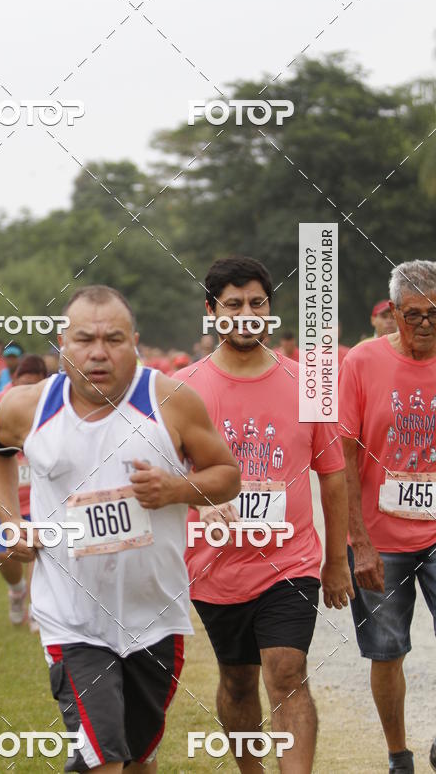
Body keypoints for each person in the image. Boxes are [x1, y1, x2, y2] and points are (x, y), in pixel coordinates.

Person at [0, 284, 240, 773]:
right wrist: (10, 521)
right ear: (62, 343)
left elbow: (227, 476)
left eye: (114, 339)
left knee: (139, 759)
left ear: (135, 341)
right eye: (85, 339)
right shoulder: (27, 406)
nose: (99, 352)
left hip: (156, 616)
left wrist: (176, 489)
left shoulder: (171, 401)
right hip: (72, 618)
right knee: (104, 761)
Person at [174, 256, 353, 774]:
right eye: (233, 305)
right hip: (213, 566)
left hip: (290, 560)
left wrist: (336, 559)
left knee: (287, 669)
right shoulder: (182, 390)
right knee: (237, 680)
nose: (247, 314)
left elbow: (333, 473)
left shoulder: (309, 383)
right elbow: (165, 479)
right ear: (212, 311)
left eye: (257, 303)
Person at [339, 260, 436, 774]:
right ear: (393, 312)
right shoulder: (362, 362)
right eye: (413, 314)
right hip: (382, 536)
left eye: (435, 314)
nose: (424, 324)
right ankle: (399, 755)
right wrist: (359, 541)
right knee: (387, 651)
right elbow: (346, 455)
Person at [0, 354, 47, 627]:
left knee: (39, 550)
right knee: (5, 552)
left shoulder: (51, 401)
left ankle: (38, 609)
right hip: (8, 494)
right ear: (14, 380)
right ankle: (17, 591)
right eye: (24, 384)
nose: (28, 391)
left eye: (35, 385)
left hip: (41, 493)